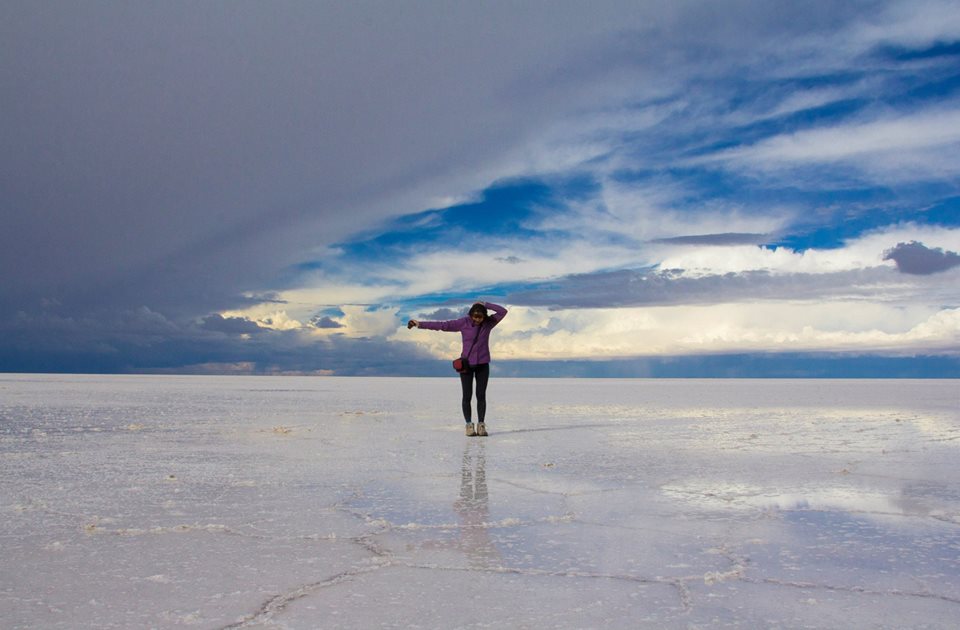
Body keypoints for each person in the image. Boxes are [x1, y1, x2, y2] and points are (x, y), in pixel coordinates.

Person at [407, 301, 508, 436]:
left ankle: (481, 425)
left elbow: (503, 311)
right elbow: (443, 325)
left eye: (480, 317)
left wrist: (485, 304)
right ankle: (469, 425)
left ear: (484, 316)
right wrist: (419, 324)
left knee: (481, 396)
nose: (477, 320)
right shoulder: (463, 322)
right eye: (475, 317)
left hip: (483, 364)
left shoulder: (488, 323)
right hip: (466, 365)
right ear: (470, 315)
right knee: (467, 396)